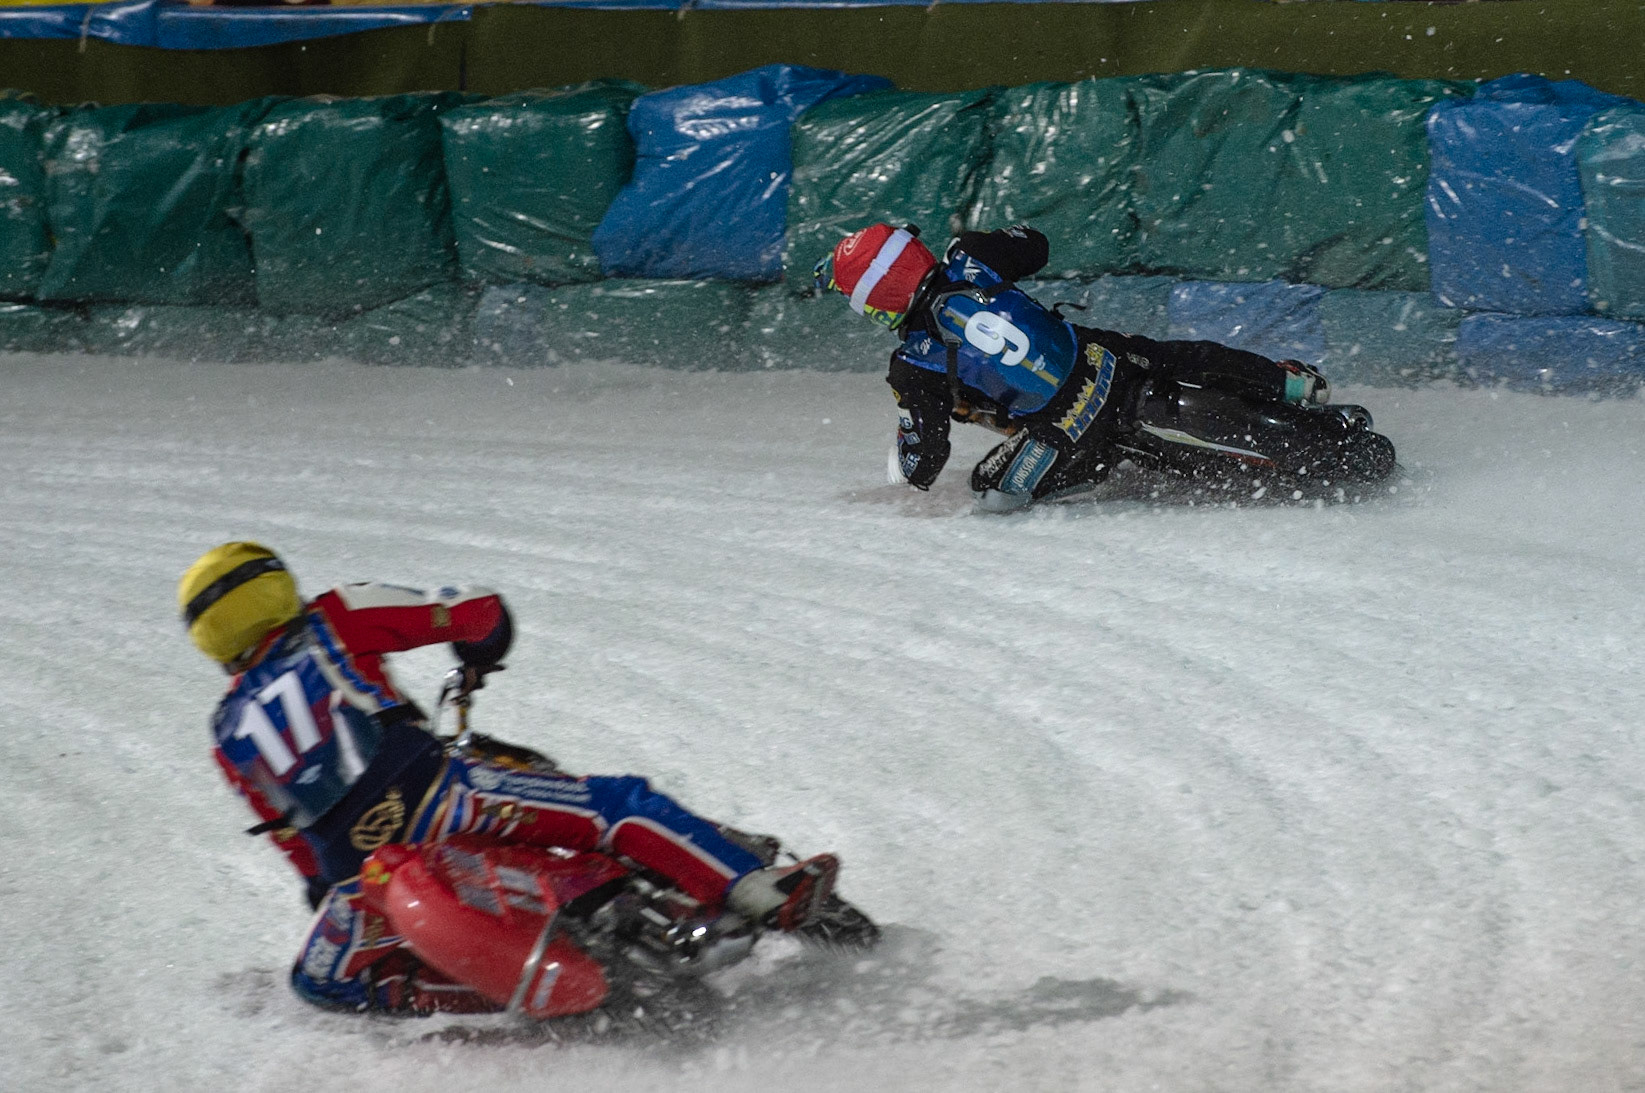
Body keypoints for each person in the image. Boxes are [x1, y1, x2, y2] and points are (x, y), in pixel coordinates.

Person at [179, 541, 838, 1015]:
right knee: (612, 804)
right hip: (439, 796)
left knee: (324, 982)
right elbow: (477, 610)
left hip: (363, 871)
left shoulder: (225, 734)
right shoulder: (333, 615)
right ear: (274, 587)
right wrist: (478, 654)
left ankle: (468, 999)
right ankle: (758, 892)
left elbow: (299, 853)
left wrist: (334, 886)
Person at [815, 223, 1332, 511]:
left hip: (1061, 428)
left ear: (874, 304)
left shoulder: (911, 365)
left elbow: (923, 464)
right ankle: (1289, 382)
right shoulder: (971, 256)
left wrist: (906, 451)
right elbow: (1036, 244)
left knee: (989, 493)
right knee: (1180, 354)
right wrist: (991, 238)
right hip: (1102, 359)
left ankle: (1104, 463)